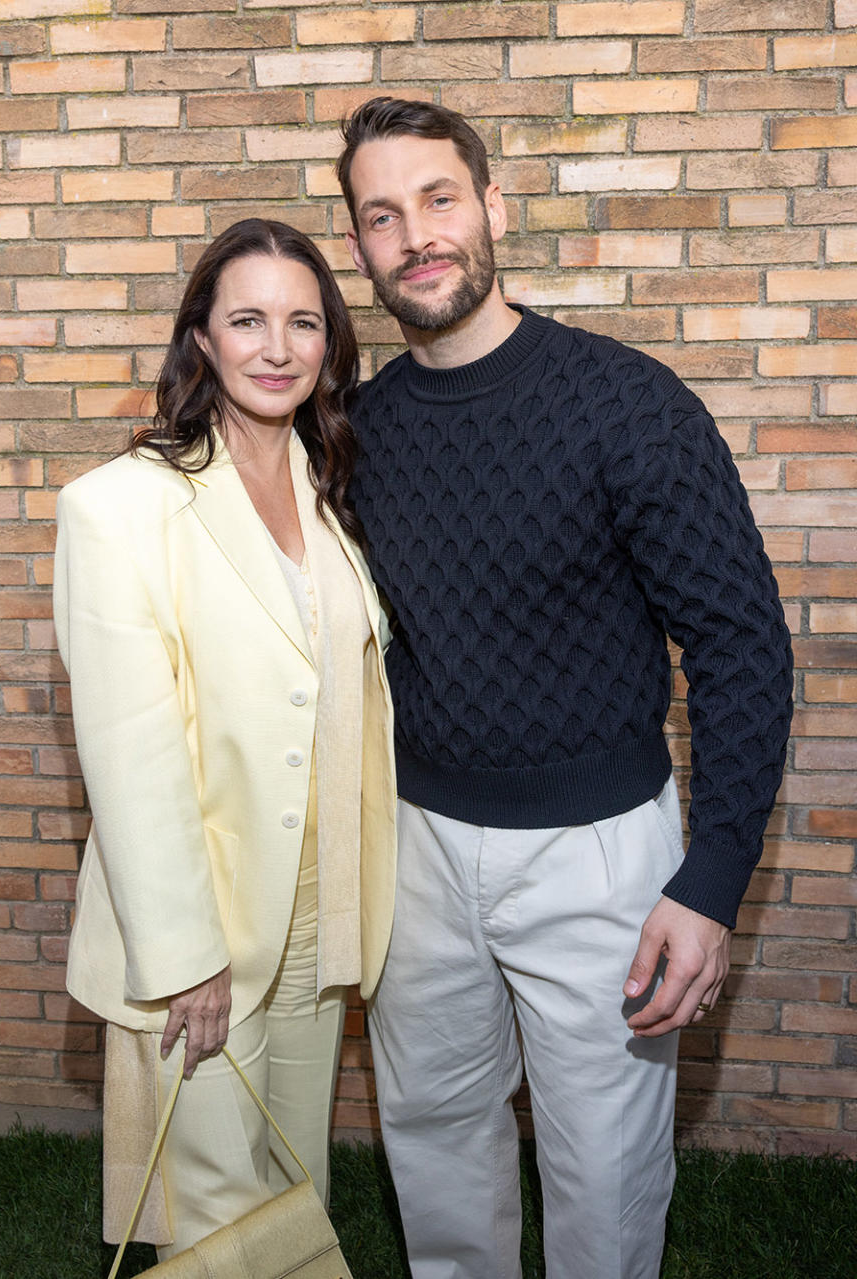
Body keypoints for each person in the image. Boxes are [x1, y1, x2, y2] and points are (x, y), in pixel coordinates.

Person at [336, 98, 794, 1279]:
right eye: (382, 215)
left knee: (604, 1168)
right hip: (416, 849)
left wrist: (713, 880)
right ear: (361, 247)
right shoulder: (358, 433)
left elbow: (742, 646)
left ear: (494, 205)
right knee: (436, 1143)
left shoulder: (628, 404)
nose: (416, 234)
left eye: (439, 198)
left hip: (602, 861)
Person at [52, 218, 396, 1259]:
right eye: (247, 320)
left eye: (303, 322)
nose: (278, 347)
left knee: (289, 1182)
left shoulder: (331, 492)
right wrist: (184, 959)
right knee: (213, 1211)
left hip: (317, 910)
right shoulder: (118, 509)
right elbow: (129, 749)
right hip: (198, 924)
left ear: (331, 343)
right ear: (200, 339)